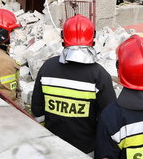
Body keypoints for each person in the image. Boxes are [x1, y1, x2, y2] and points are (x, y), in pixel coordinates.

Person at [31, 15, 116, 155]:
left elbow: (37, 109)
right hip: (85, 150)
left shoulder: (47, 68)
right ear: (92, 39)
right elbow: (108, 118)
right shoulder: (100, 75)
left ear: (63, 38)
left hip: (52, 146)